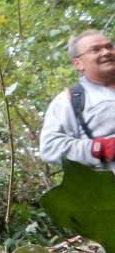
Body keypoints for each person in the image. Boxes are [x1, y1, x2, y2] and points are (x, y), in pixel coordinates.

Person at [39, 30, 115, 173]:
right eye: (95, 50)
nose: (106, 52)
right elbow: (50, 147)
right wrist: (99, 148)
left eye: (110, 47)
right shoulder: (71, 99)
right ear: (78, 63)